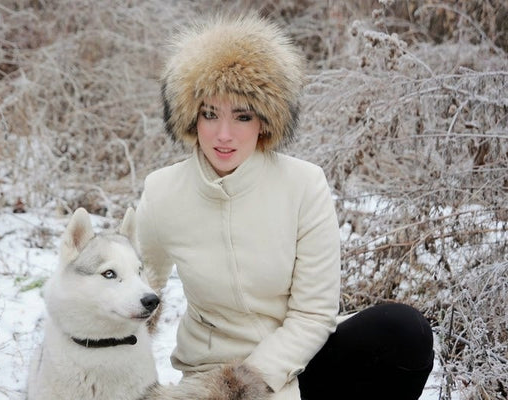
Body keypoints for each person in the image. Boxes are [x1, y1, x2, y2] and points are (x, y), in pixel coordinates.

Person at [135, 14, 434, 400]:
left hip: (301, 364)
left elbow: (313, 314)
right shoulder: (162, 192)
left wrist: (249, 383)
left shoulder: (304, 184)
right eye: (210, 113)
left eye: (242, 116)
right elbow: (136, 296)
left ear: (265, 121)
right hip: (211, 380)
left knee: (403, 330)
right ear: (192, 117)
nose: (223, 134)